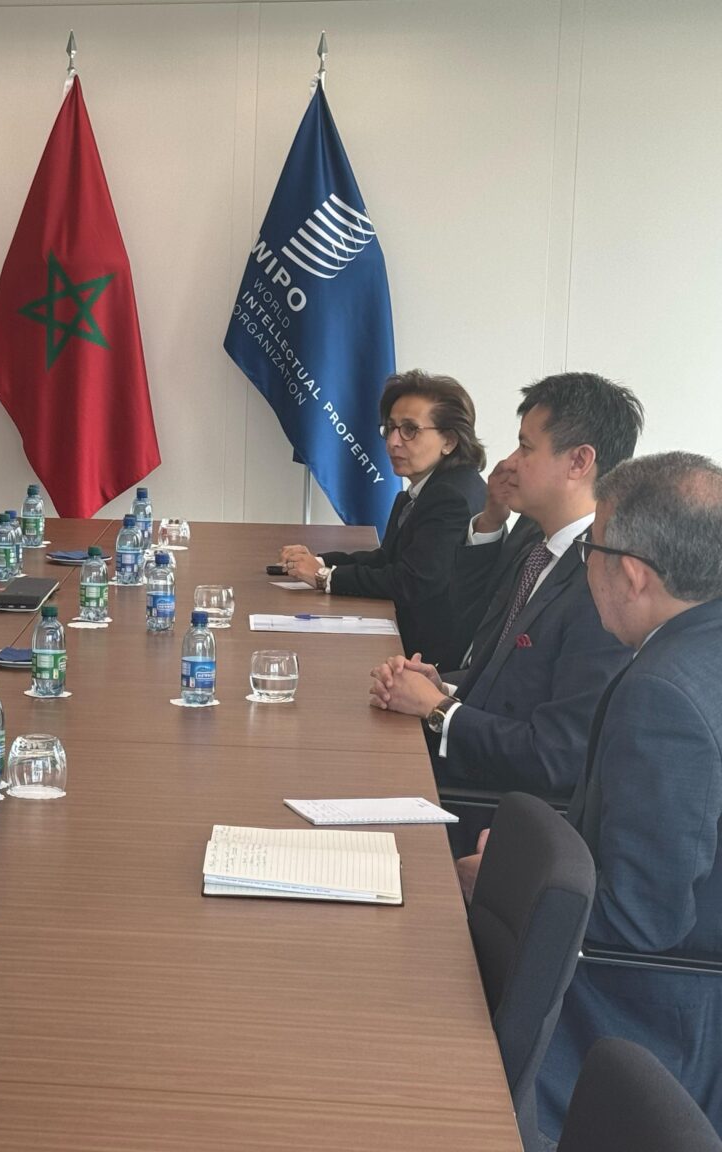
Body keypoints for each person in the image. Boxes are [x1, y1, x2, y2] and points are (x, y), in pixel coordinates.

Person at [485, 452, 722, 1141]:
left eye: (590, 549)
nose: (584, 566)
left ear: (634, 574)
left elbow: (642, 921)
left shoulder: (664, 695)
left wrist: (513, 883)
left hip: (645, 1017)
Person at [368, 372, 641, 803]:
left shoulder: (602, 585)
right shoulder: (537, 541)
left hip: (492, 803)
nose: (510, 462)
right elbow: (505, 670)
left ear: (578, 462)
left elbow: (555, 756)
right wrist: (441, 686)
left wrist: (438, 709)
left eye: (526, 447)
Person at [280, 371, 487, 668]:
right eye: (390, 428)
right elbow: (387, 559)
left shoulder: (450, 497)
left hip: (428, 661)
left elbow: (410, 582)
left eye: (410, 430)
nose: (392, 442)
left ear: (449, 440)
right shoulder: (429, 489)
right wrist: (320, 561)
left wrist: (324, 577)